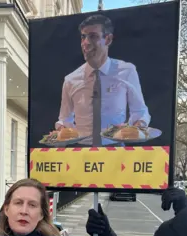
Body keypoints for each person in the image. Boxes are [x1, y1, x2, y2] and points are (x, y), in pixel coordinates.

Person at [56, 14, 150, 146]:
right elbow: (64, 119)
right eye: (83, 37)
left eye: (93, 36)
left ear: (108, 39)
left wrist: (137, 127)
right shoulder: (71, 80)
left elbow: (140, 111)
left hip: (116, 151)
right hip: (81, 154)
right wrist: (62, 130)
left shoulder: (127, 71)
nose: (86, 43)